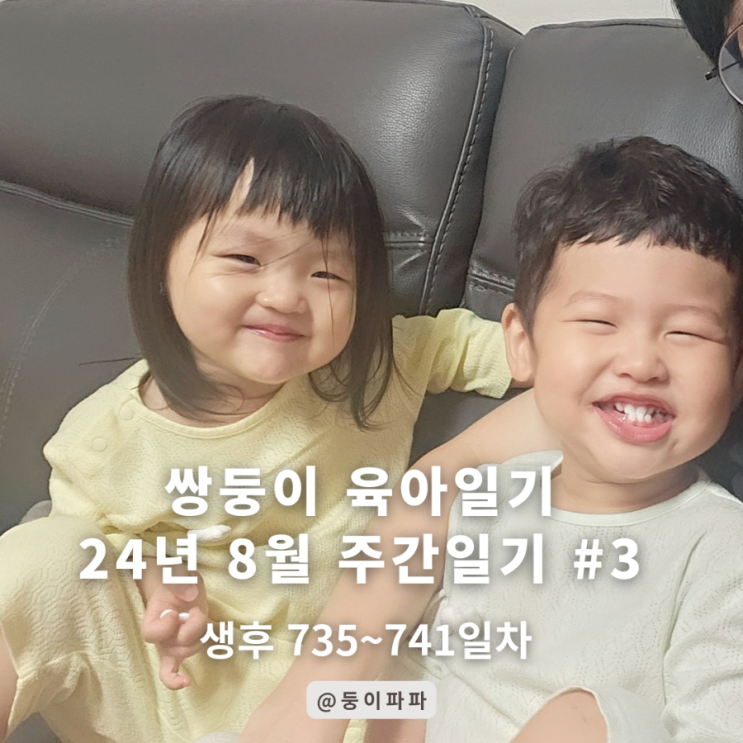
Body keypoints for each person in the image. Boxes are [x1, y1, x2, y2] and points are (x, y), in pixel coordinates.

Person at [0, 95, 554, 743]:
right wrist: (155, 579)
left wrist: (589, 349)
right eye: (245, 259)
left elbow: (493, 347)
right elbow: (90, 559)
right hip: (164, 702)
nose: (286, 295)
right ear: (160, 263)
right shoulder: (102, 440)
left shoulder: (381, 364)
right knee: (42, 554)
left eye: (326, 272)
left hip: (336, 704)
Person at [364, 137, 743, 743]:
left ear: (737, 372)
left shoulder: (722, 547)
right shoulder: (485, 499)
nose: (641, 363)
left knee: (588, 716)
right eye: (599, 322)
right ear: (523, 344)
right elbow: (418, 675)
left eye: (687, 333)